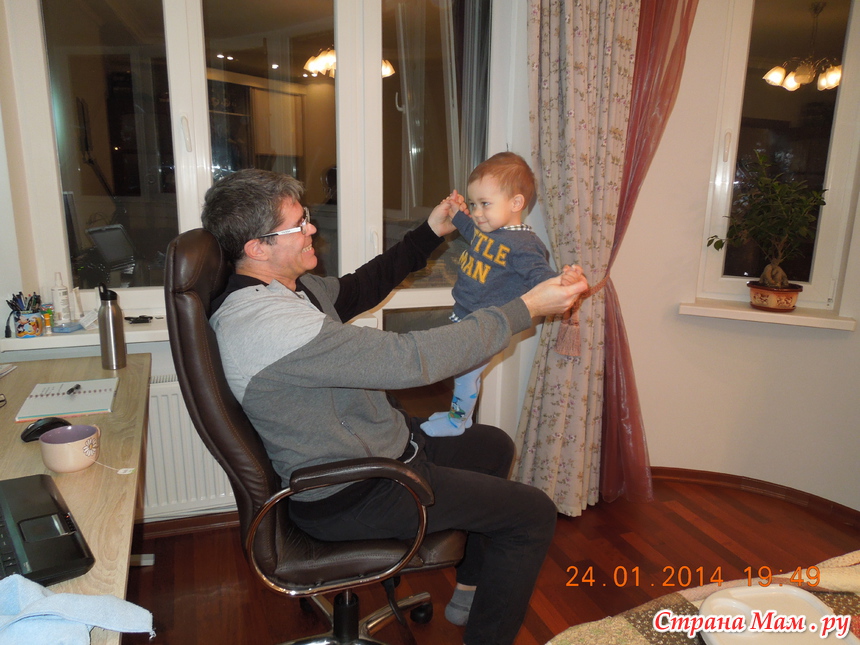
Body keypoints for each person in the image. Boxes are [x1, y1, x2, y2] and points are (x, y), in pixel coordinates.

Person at [202, 169, 588, 645]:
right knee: (533, 514)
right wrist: (521, 309)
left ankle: (469, 589)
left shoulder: (286, 290)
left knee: (492, 446)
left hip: (377, 451)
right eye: (298, 224)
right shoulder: (268, 326)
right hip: (352, 490)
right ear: (257, 248)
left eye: (306, 218)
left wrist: (430, 232)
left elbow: (360, 287)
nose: (312, 228)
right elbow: (412, 360)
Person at [421, 151, 557, 437]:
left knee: (464, 375)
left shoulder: (524, 245)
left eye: (485, 204)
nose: (477, 212)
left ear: (516, 203)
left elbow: (541, 279)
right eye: (473, 204)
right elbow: (469, 229)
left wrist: (561, 283)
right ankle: (462, 417)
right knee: (463, 373)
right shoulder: (489, 231)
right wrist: (456, 213)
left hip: (488, 326)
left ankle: (456, 423)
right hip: (468, 316)